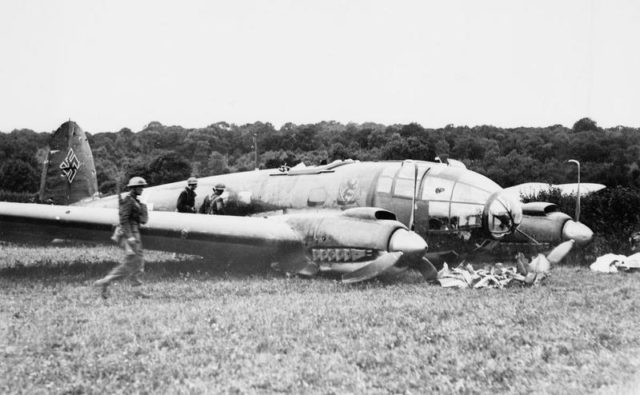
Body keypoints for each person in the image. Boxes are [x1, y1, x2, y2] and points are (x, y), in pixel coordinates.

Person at [94, 176, 149, 298]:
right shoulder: (128, 201)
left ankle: (135, 290)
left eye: (142, 186)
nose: (142, 189)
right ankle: (107, 281)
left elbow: (144, 220)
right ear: (133, 188)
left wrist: (144, 204)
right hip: (130, 235)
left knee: (138, 262)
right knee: (133, 262)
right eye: (140, 187)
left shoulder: (136, 202)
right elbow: (123, 220)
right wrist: (129, 237)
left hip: (135, 234)